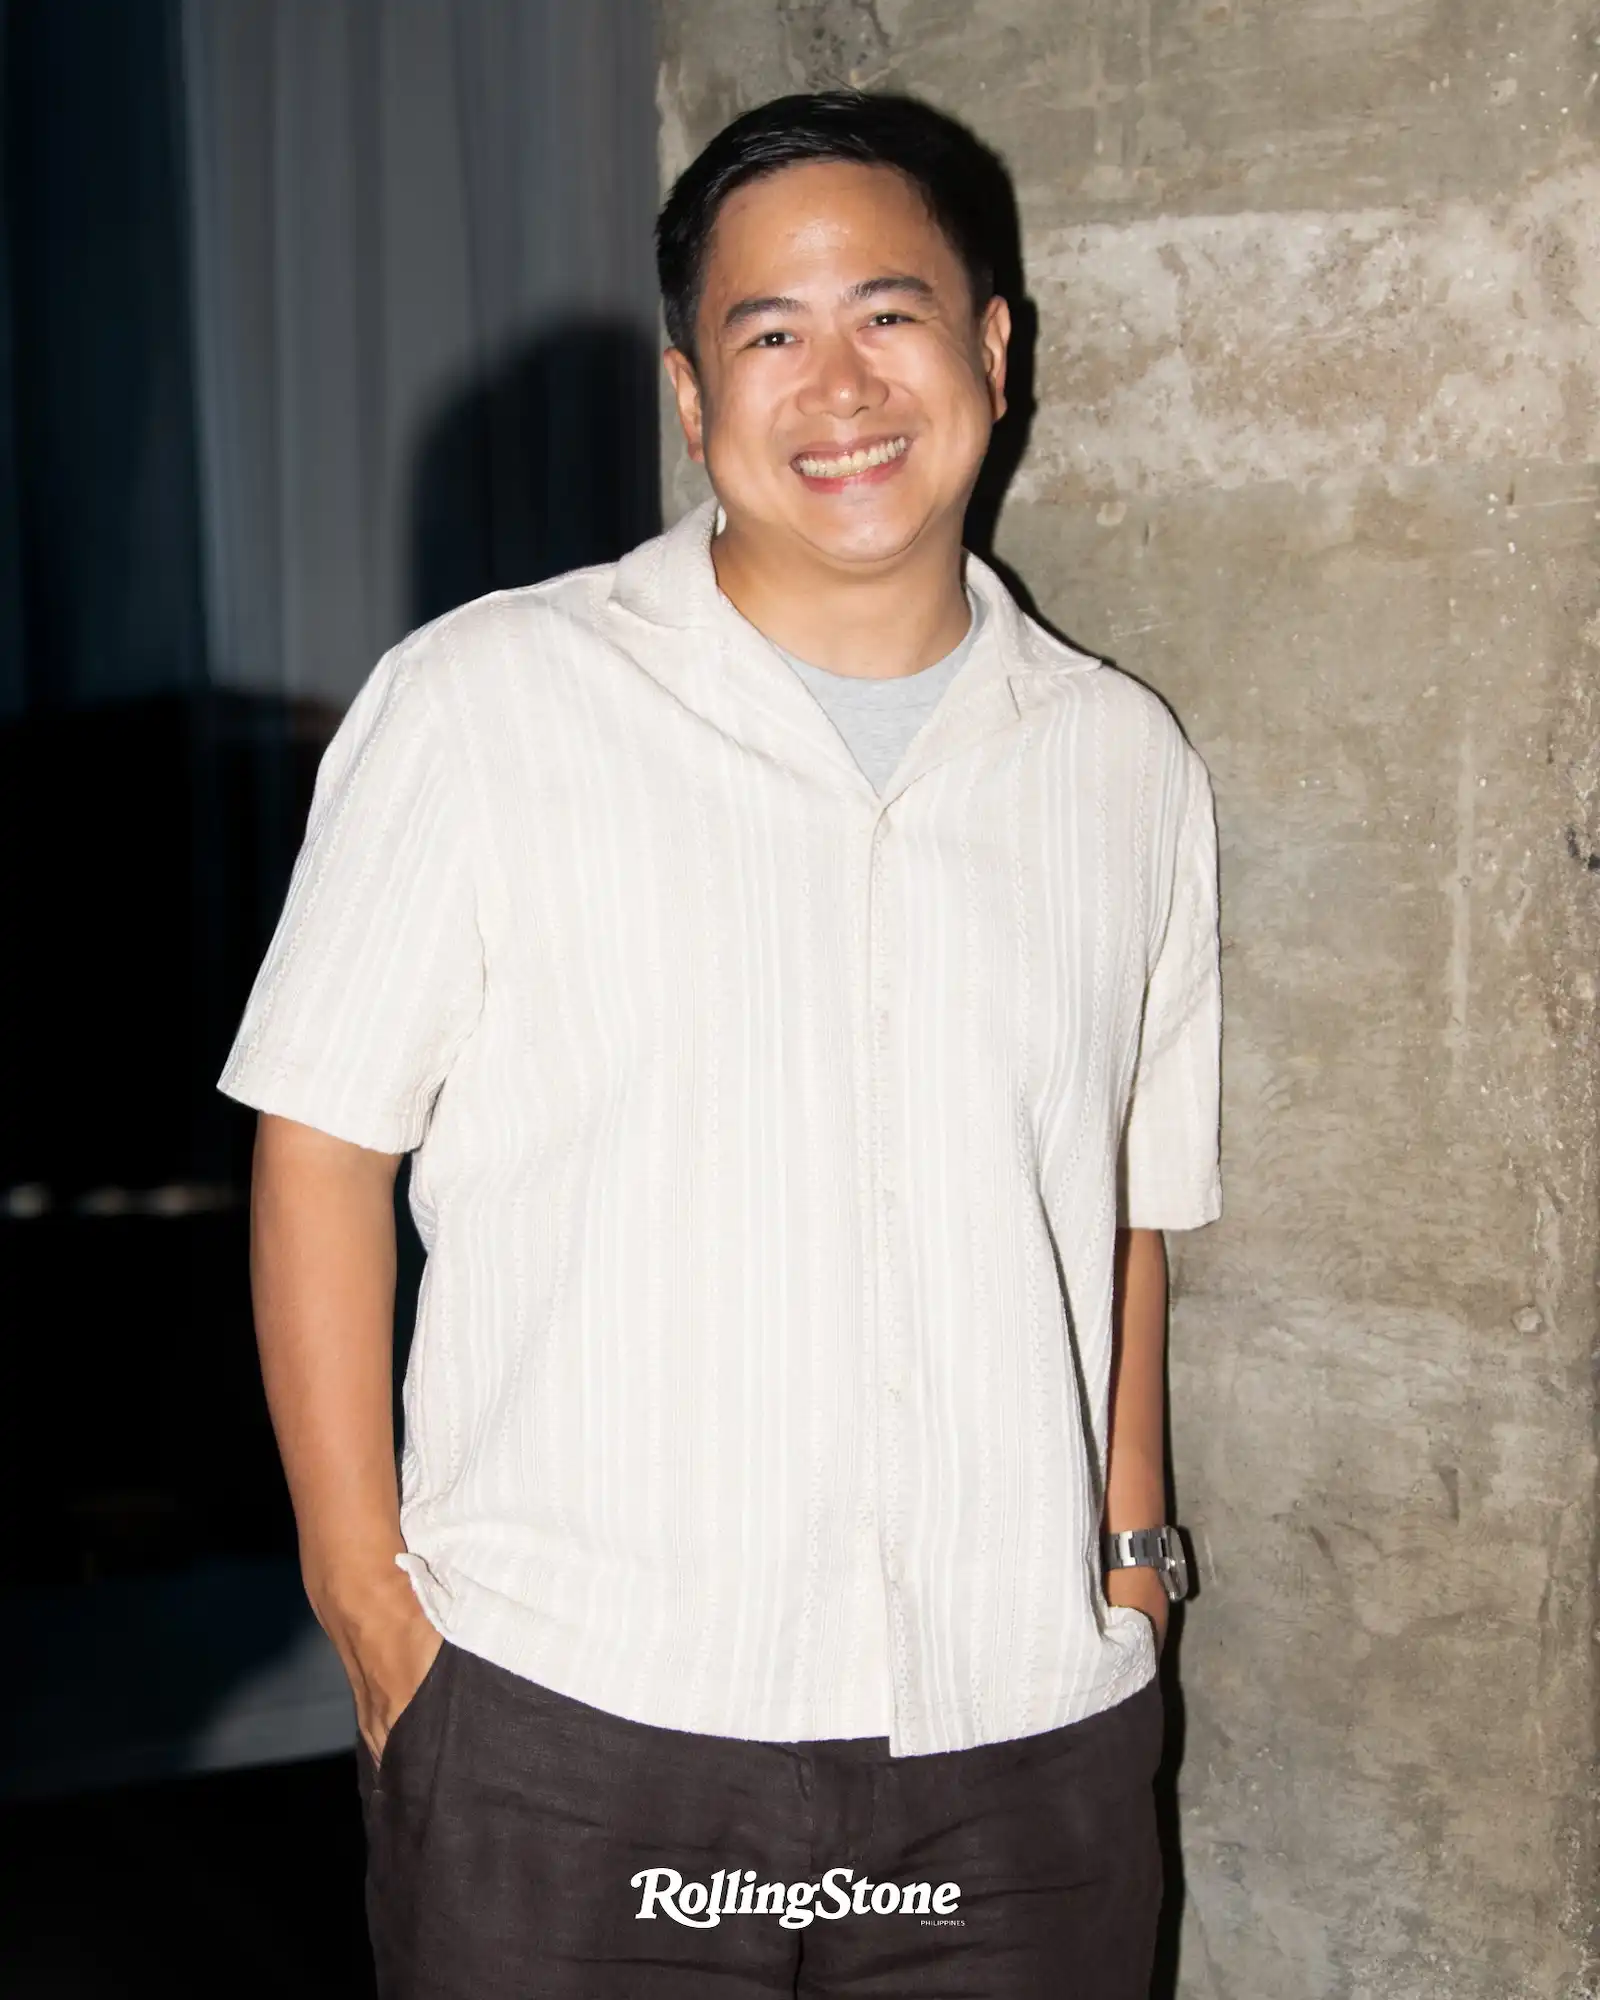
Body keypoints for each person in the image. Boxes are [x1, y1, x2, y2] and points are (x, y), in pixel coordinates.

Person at [220, 89, 1221, 2000]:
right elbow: (320, 1149)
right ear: (695, 396)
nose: (835, 381)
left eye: (890, 312)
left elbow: (1126, 1206)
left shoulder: (1123, 763)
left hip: (1020, 1761)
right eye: (768, 331)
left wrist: (1127, 1572)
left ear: (993, 352)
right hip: (576, 1741)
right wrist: (373, 1623)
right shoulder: (488, 704)